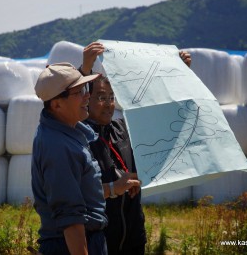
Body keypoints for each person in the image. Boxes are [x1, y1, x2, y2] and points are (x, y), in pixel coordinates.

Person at [80, 42, 192, 255]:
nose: (109, 104)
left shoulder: (122, 128)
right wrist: (85, 68)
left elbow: (158, 114)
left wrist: (179, 73)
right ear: (86, 100)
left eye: (112, 98)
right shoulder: (79, 135)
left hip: (133, 236)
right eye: (102, 98)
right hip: (99, 241)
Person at [31, 62, 108, 255]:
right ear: (57, 104)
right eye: (79, 91)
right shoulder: (58, 146)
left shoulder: (71, 132)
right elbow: (70, 217)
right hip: (69, 246)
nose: (87, 95)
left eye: (85, 88)